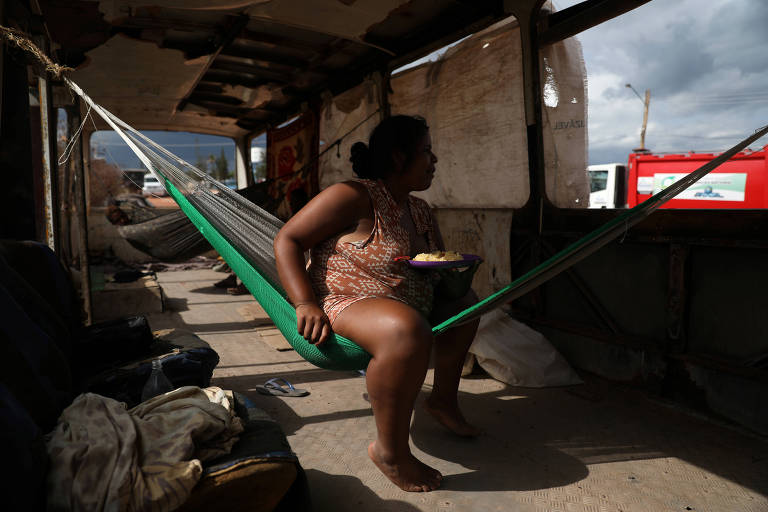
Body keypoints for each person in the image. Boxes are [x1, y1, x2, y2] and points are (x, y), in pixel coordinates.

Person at [273, 115, 481, 492]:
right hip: (348, 300)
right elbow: (287, 239)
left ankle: (443, 400)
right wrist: (304, 303)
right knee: (405, 330)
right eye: (427, 152)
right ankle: (391, 452)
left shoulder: (420, 210)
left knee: (466, 304)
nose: (434, 161)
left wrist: (455, 277)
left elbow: (434, 262)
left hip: (408, 302)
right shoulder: (354, 196)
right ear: (400, 158)